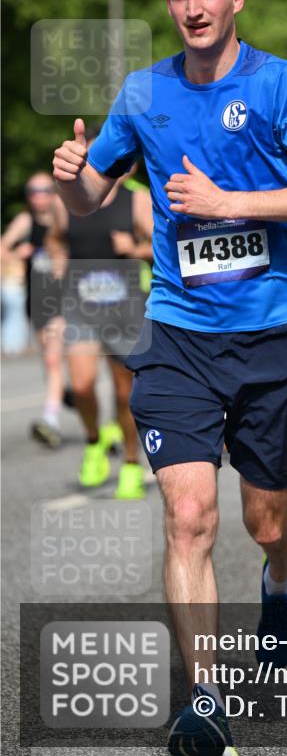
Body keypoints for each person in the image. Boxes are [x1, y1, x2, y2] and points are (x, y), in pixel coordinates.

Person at [52, 0, 287, 756]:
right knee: (189, 517)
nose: (194, 8)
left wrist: (231, 202)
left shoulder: (282, 84)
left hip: (271, 334)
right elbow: (91, 197)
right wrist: (74, 173)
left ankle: (281, 579)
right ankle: (206, 701)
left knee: (263, 521)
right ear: (169, 3)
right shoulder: (142, 92)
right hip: (177, 333)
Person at [48, 136, 154, 497]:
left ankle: (131, 463)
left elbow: (163, 245)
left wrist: (135, 248)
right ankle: (95, 440)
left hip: (125, 308)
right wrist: (58, 261)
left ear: (128, 167)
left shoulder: (137, 201)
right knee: (80, 386)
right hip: (81, 306)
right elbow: (54, 239)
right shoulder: (65, 201)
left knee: (125, 393)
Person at [0, 172, 66, 445]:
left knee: (52, 359)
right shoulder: (26, 221)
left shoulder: (64, 217)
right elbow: (2, 248)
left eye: (44, 190)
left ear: (53, 193)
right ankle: (67, 395)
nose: (39, 196)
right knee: (49, 360)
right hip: (35, 301)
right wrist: (17, 254)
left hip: (62, 301)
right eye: (33, 191)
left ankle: (50, 419)